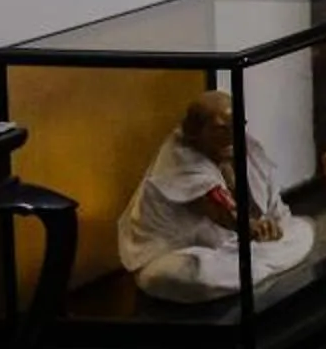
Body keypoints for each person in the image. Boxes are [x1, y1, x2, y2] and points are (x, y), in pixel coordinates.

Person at [116, 91, 313, 303]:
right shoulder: (181, 161)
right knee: (196, 273)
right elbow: (223, 211)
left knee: (302, 230)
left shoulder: (243, 146)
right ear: (193, 132)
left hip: (228, 245)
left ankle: (258, 262)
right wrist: (253, 228)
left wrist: (274, 225)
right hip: (173, 253)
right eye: (220, 129)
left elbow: (275, 208)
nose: (232, 134)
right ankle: (261, 263)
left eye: (237, 125)